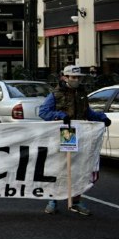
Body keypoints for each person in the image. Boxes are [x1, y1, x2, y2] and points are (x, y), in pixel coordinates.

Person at [39, 65, 110, 216]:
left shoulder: (81, 93)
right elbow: (43, 112)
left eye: (78, 77)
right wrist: (59, 116)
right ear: (65, 77)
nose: (76, 80)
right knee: (60, 168)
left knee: (79, 169)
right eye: (73, 77)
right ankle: (53, 200)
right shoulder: (55, 94)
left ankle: (76, 201)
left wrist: (102, 118)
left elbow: (88, 112)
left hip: (81, 134)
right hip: (65, 133)